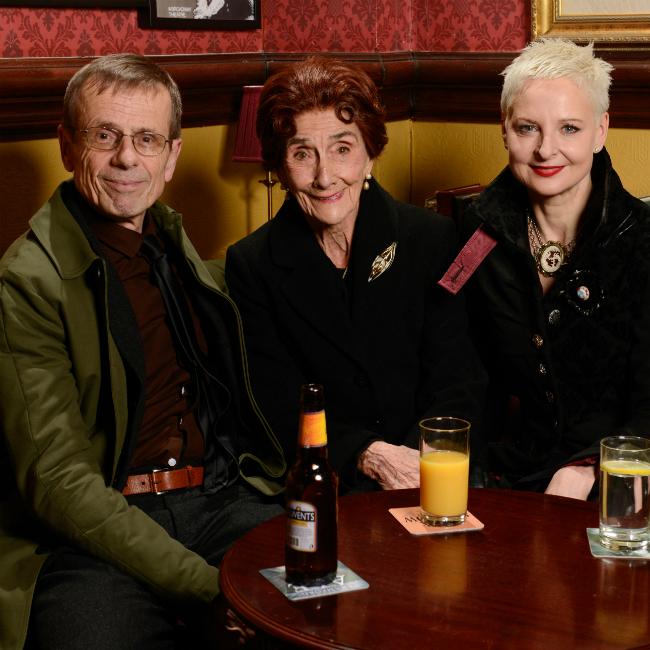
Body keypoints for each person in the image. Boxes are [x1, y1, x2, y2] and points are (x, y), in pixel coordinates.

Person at [0, 54, 285, 650]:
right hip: (94, 532)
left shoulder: (176, 248)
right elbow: (58, 482)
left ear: (172, 156)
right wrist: (208, 589)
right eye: (104, 135)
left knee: (333, 606)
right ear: (67, 145)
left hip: (220, 500)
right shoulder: (26, 281)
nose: (127, 158)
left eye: (147, 139)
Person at [226, 57, 486, 494]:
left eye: (342, 149)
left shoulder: (432, 238)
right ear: (280, 168)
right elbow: (274, 404)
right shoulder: (252, 264)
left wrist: (423, 461)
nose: (325, 176)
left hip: (438, 467)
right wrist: (366, 454)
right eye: (302, 153)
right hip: (331, 479)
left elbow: (460, 379)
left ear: (370, 154)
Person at [452, 39, 650, 499]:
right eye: (528, 128)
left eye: (569, 129)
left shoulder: (642, 239)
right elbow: (462, 377)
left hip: (620, 472)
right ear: (504, 130)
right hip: (502, 477)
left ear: (600, 131)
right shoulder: (473, 235)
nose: (546, 150)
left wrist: (592, 467)